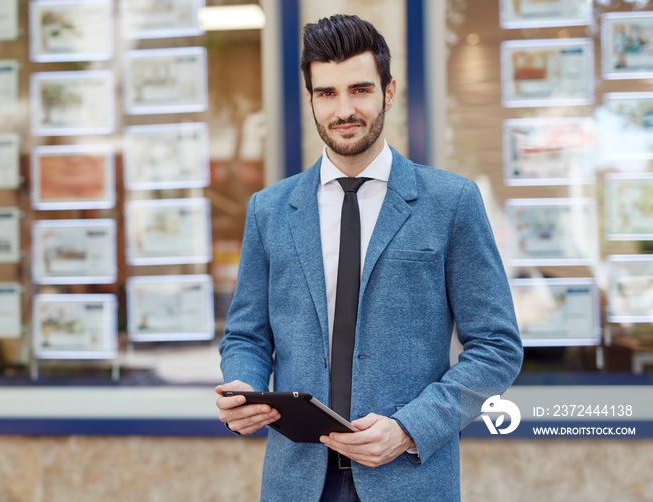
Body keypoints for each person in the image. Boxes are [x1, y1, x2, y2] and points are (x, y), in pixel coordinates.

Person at [216, 14, 523, 502]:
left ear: (390, 91)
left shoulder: (451, 202)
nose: (344, 110)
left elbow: (497, 347)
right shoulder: (268, 210)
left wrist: (408, 428)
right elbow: (246, 334)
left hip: (410, 478)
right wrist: (245, 388)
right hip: (296, 482)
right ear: (311, 98)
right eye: (327, 93)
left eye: (359, 89)